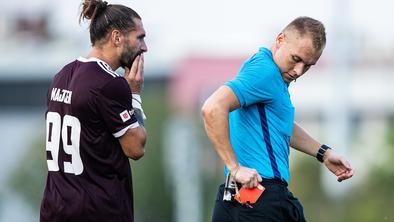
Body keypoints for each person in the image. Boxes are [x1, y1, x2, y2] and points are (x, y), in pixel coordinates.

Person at [201, 16, 354, 222]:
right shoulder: (266, 73)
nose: (299, 71)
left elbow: (278, 126)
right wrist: (234, 167)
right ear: (280, 39)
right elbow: (212, 108)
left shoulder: (268, 72)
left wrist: (323, 153)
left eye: (308, 65)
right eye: (296, 59)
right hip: (260, 199)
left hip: (239, 197)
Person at [40, 1, 148, 221]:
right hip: (96, 211)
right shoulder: (109, 84)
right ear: (117, 37)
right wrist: (134, 94)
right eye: (140, 37)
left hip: (54, 210)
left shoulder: (62, 75)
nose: (144, 47)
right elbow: (136, 147)